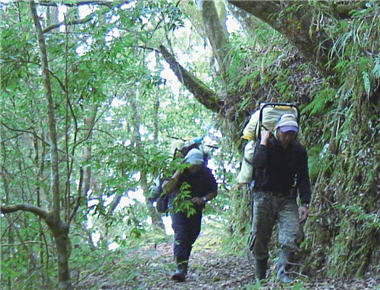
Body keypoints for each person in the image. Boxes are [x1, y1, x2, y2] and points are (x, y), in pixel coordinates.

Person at [248, 113, 311, 283]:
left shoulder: (298, 150)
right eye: (285, 132)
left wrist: (305, 202)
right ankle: (260, 276)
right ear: (277, 130)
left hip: (286, 199)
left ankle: (282, 271)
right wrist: (262, 141)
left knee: (293, 233)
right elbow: (258, 164)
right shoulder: (266, 144)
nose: (288, 136)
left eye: (292, 132)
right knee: (260, 236)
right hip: (263, 196)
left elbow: (303, 177)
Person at [162, 148, 218, 282]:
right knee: (181, 234)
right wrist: (178, 172)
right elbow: (167, 188)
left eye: (197, 166)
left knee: (192, 234)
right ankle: (180, 268)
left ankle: (183, 262)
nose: (194, 168)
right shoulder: (178, 170)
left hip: (195, 207)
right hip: (177, 206)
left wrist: (203, 199)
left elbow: (214, 191)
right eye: (192, 165)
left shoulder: (206, 173)